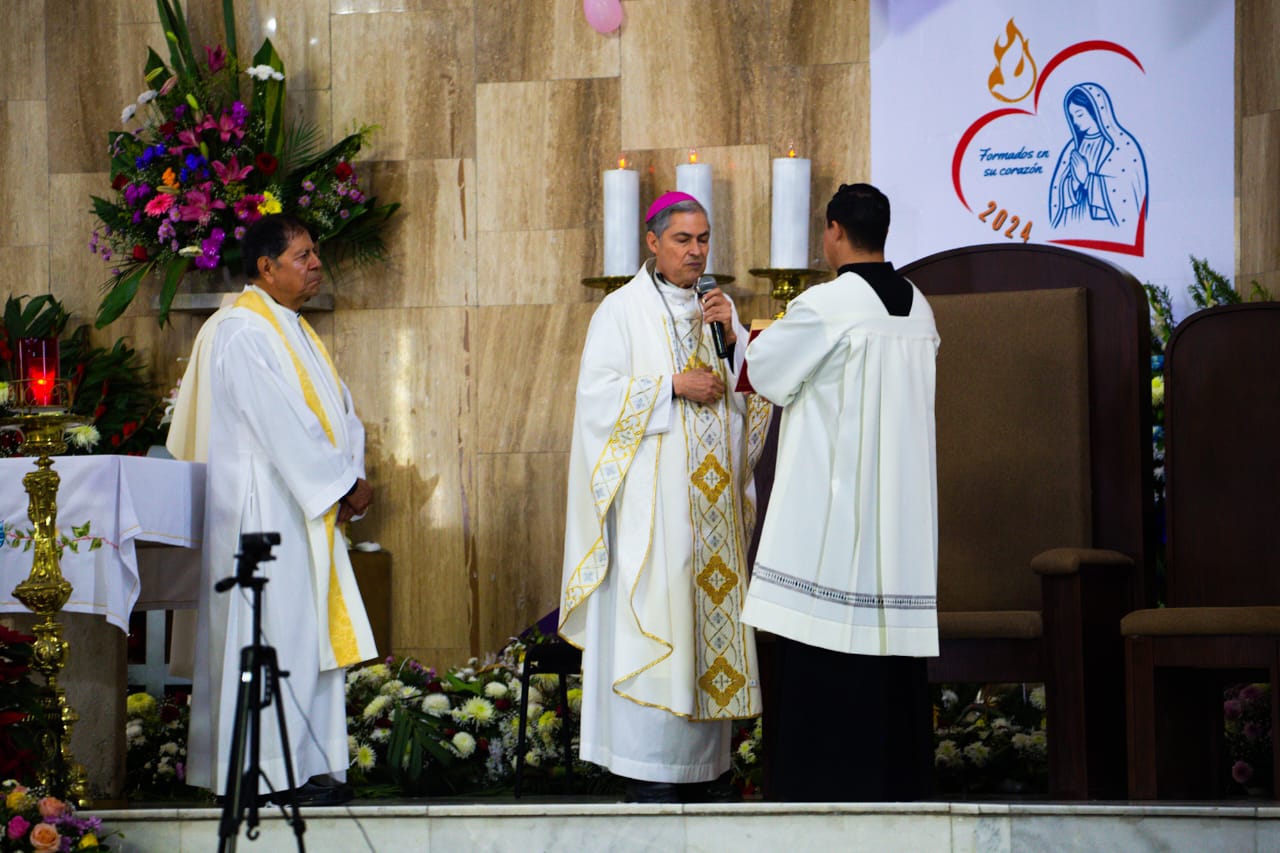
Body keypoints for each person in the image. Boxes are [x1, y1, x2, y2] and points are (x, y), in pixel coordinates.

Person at [559, 192, 771, 803]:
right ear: (652, 243)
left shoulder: (718, 309)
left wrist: (732, 340)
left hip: (711, 518)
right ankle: (644, 766)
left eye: (703, 239)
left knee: (705, 625)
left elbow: (749, 394)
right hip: (653, 515)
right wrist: (670, 388)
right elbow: (595, 399)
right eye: (683, 240)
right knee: (657, 621)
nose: (696, 251)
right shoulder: (620, 311)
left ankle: (705, 770)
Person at [739, 183, 940, 801]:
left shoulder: (830, 303)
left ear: (833, 231)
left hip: (837, 508)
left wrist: (734, 336)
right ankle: (897, 786)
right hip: (900, 513)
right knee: (888, 654)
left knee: (824, 637)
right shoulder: (920, 306)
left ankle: (815, 786)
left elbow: (766, 371)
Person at [181, 214, 377, 806]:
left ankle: (307, 765)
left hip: (300, 508)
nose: (316, 263)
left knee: (303, 637)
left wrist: (354, 474)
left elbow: (338, 415)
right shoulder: (242, 331)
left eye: (315, 253)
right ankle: (262, 774)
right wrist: (341, 484)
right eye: (303, 256)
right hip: (263, 512)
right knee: (269, 636)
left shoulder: (291, 328)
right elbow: (279, 423)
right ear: (265, 267)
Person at [1048, 83, 1148, 232]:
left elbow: (1124, 194)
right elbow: (1060, 192)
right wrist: (1074, 183)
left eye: (1080, 114)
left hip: (1108, 229)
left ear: (1095, 111)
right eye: (1072, 116)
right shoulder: (1073, 148)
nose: (1075, 121)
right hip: (1074, 227)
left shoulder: (1120, 146)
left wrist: (1087, 179)